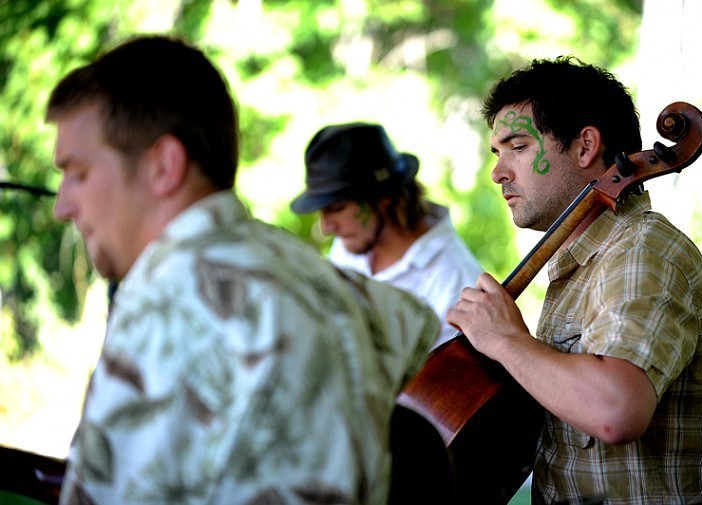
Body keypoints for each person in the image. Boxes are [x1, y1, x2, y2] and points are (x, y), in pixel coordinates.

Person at [46, 34, 439, 505]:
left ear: (163, 166)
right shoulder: (330, 282)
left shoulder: (166, 308)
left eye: (79, 173)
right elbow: (416, 330)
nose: (62, 206)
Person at [446, 55, 702, 503]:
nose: (498, 172)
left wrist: (505, 339)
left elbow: (616, 411)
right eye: (497, 152)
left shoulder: (641, 251)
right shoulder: (586, 266)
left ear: (586, 146)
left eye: (518, 147)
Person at [290, 122, 483, 348]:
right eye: (322, 211)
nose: (327, 228)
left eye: (338, 208)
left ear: (384, 196)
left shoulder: (455, 282)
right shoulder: (350, 242)